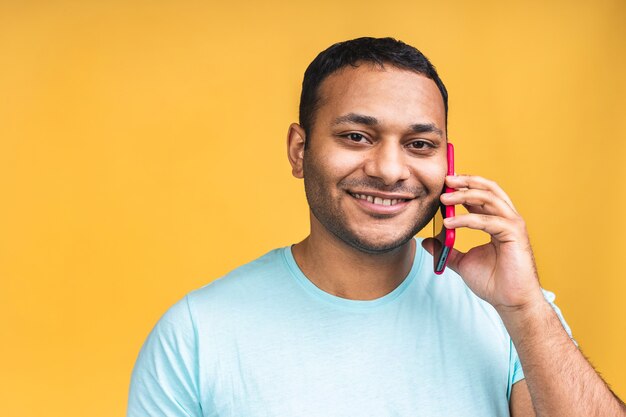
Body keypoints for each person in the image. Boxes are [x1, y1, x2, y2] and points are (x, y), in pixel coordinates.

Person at [127, 37, 625, 416]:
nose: (390, 170)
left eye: (420, 144)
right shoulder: (195, 333)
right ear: (300, 151)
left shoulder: (513, 315)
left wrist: (524, 308)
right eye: (357, 136)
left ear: (447, 161)